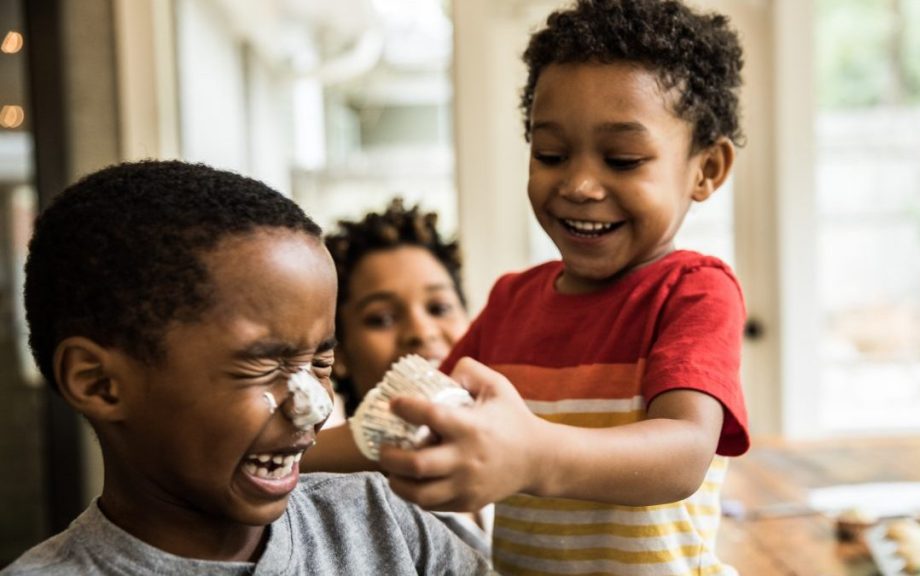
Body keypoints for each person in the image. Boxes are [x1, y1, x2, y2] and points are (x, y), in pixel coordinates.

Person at [375, 1, 751, 574]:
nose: (578, 184)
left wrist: (532, 456)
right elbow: (414, 418)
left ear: (707, 170)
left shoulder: (694, 293)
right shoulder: (510, 303)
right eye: (550, 154)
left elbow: (683, 456)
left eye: (622, 160)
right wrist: (283, 450)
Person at [2, 160, 491, 575]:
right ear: (100, 382)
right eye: (264, 365)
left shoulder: (385, 524)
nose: (315, 407)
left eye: (321, 360)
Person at [300, 198, 492, 557]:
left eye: (438, 308)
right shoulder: (337, 507)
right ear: (336, 354)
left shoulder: (512, 468)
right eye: (382, 318)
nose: (420, 331)